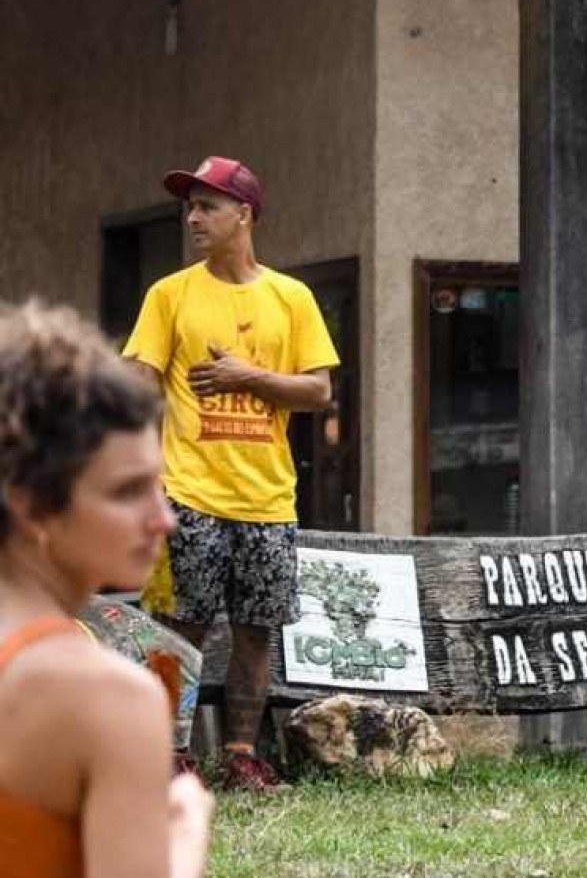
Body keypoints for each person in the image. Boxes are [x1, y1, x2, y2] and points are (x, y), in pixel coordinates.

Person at [123, 157, 339, 792]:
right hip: (187, 494)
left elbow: (318, 391)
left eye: (207, 205)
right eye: (189, 206)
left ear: (244, 215)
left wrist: (249, 378)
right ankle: (166, 754)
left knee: (254, 631)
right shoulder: (170, 294)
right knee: (177, 628)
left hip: (267, 498)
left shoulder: (290, 297)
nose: (193, 217)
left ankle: (242, 754)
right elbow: (138, 380)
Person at [0, 300, 213, 877]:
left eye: (160, 487)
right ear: (31, 502)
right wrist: (184, 842)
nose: (163, 519)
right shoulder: (108, 698)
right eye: (127, 491)